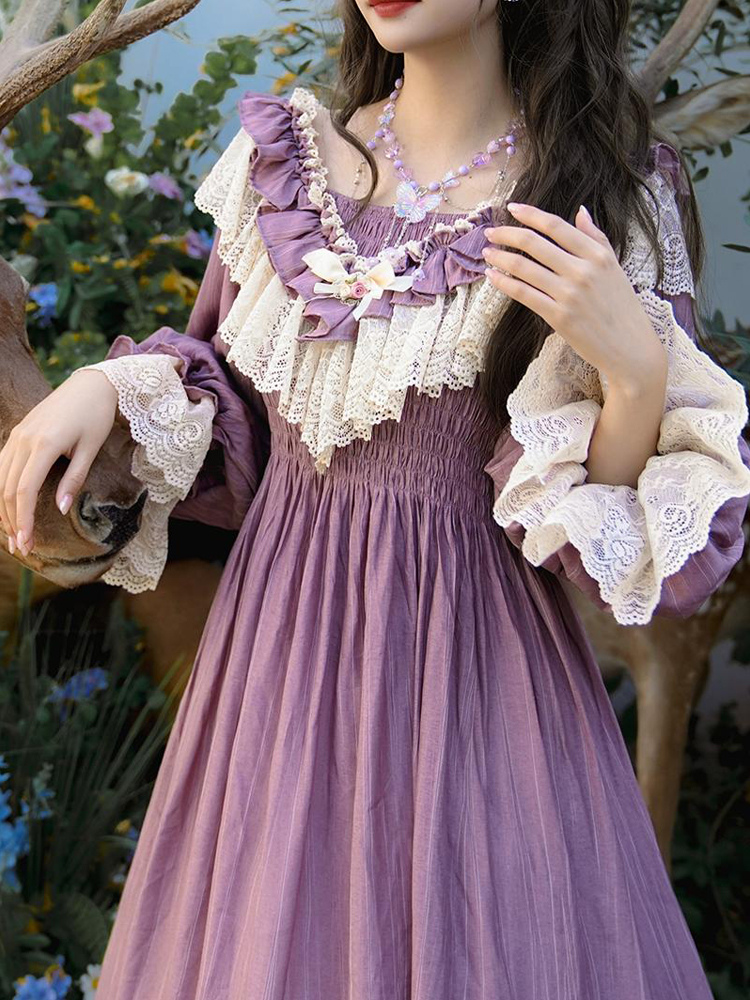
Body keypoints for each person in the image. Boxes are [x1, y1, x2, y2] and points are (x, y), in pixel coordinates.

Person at [2, 0, 750, 996]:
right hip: (274, 677)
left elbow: (596, 544)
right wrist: (110, 384)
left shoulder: (601, 193)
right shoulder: (285, 164)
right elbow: (230, 415)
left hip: (476, 689)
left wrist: (637, 373)